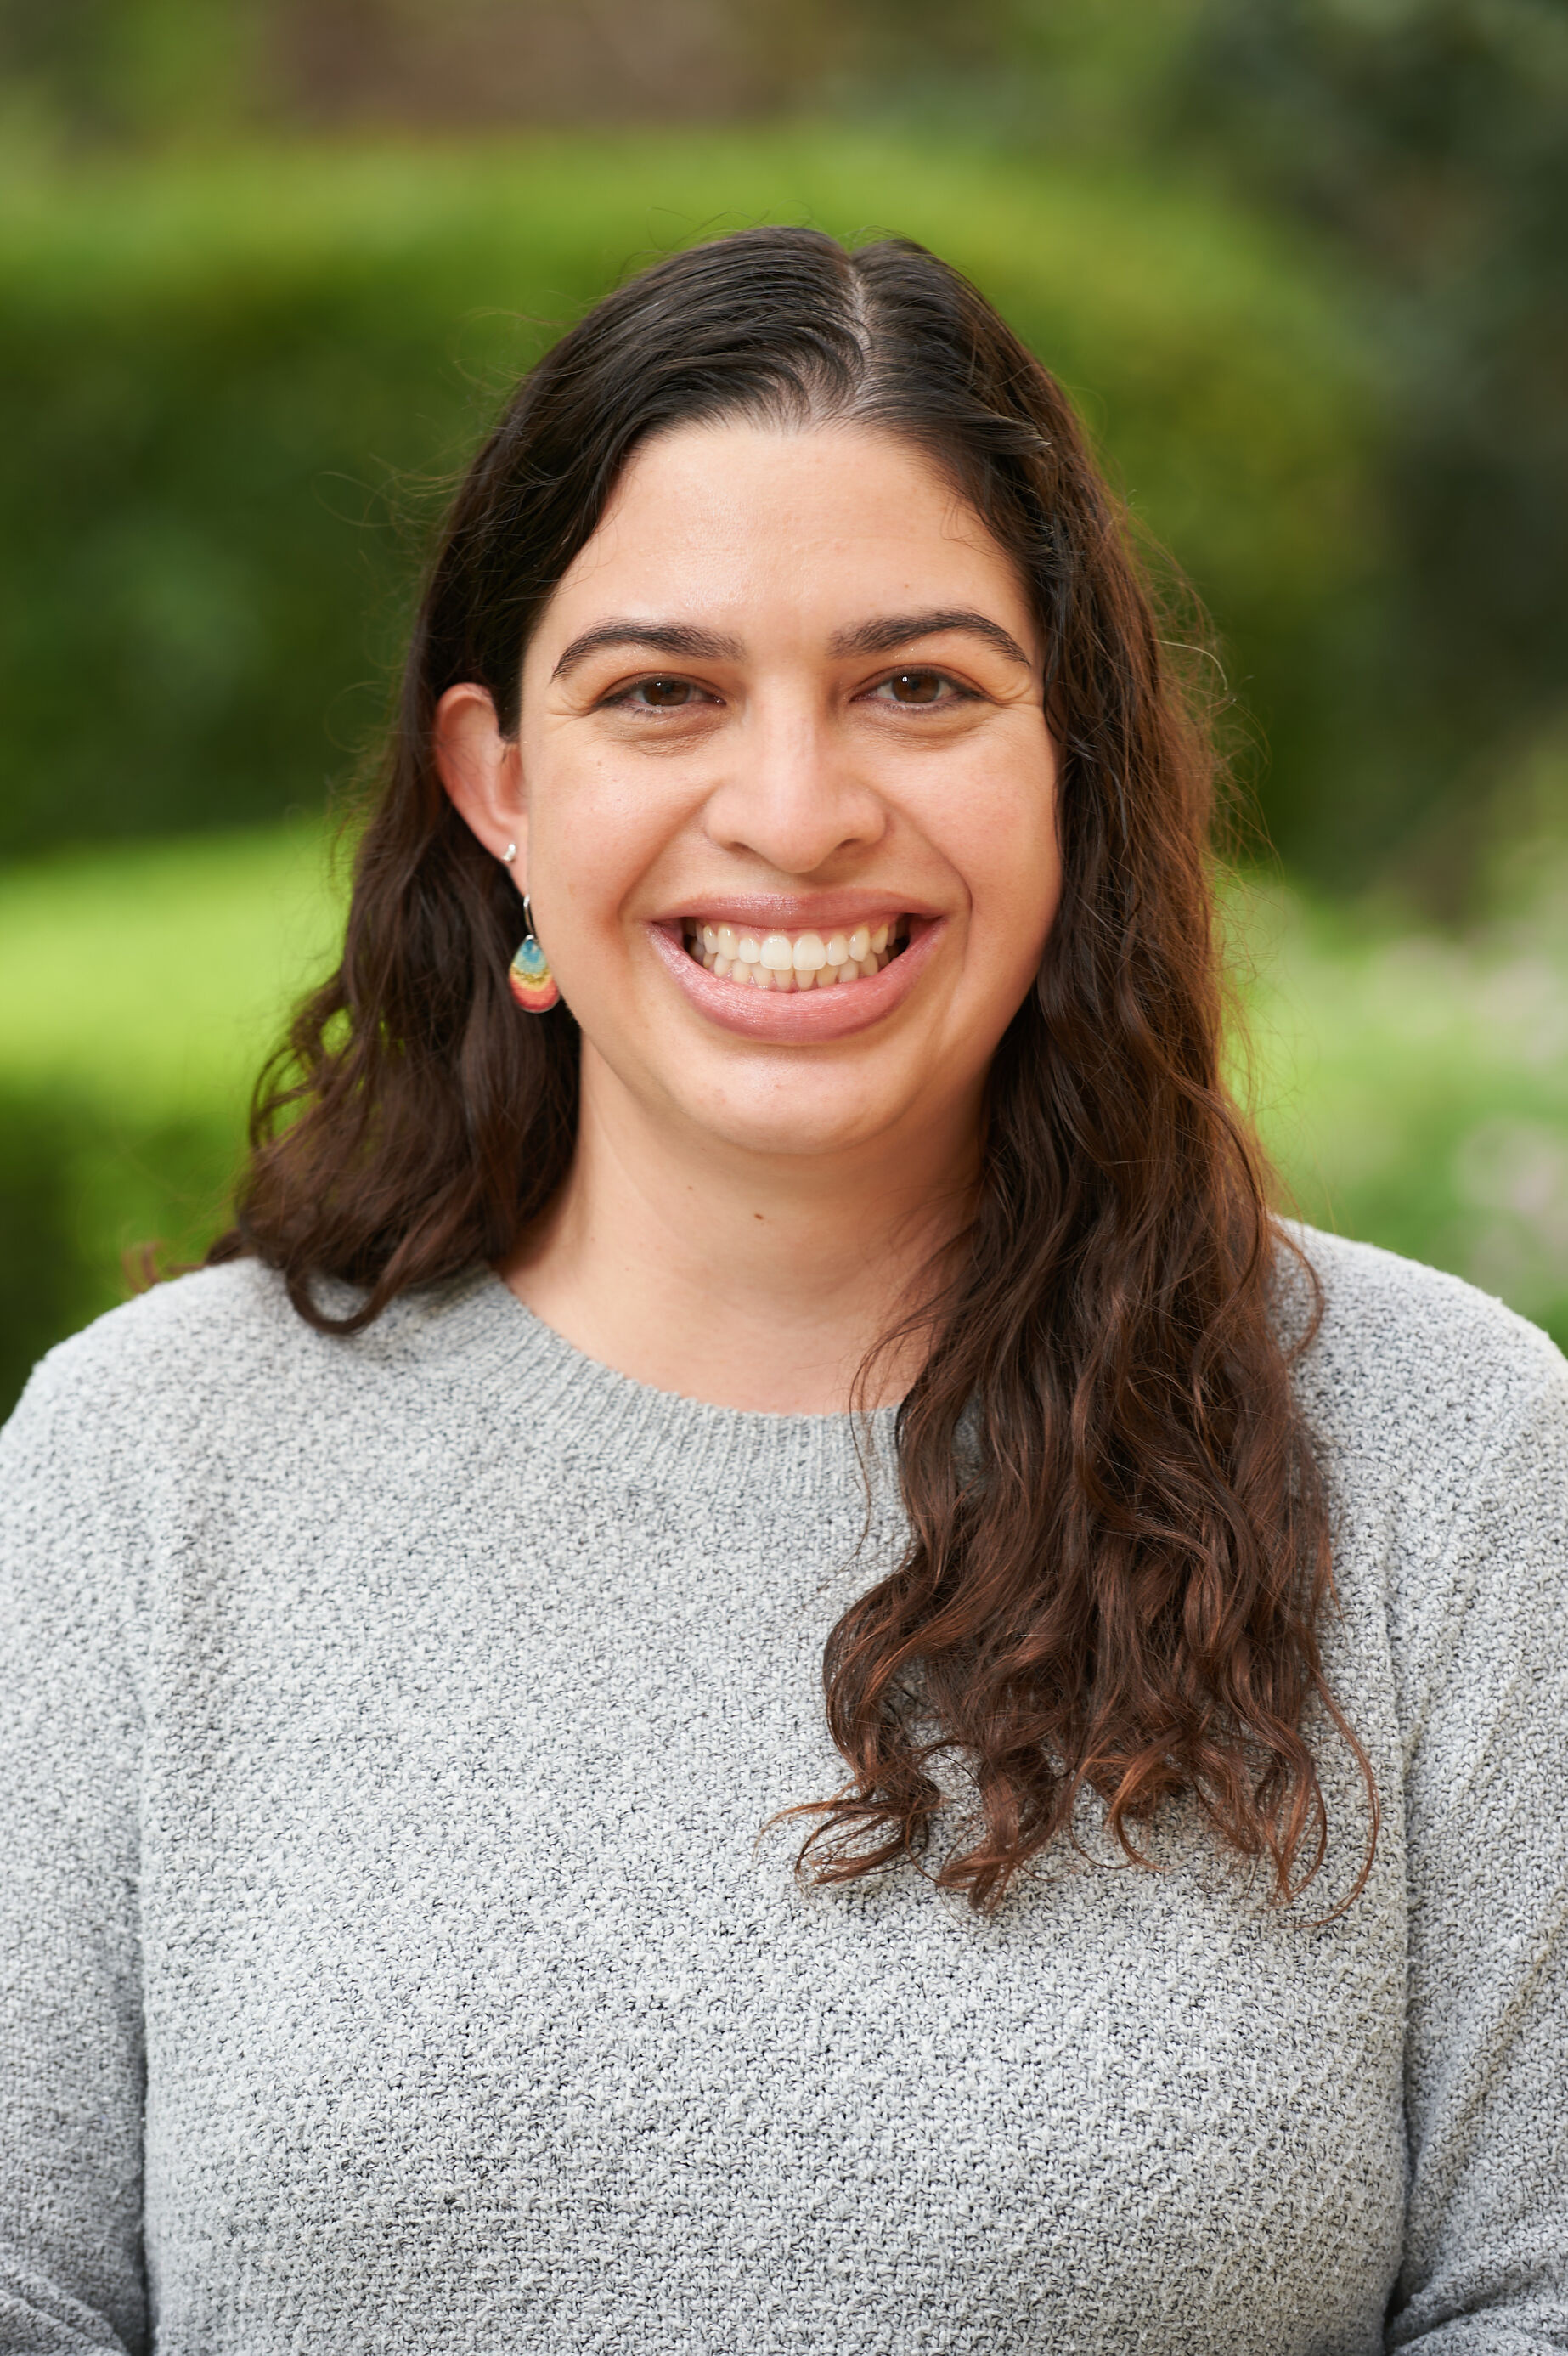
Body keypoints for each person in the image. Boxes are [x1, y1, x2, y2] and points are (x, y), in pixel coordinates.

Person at [3, 225, 1565, 2356]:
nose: (796, 811)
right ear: (500, 789)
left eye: (916, 685)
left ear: (1067, 765)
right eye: (661, 693)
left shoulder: (1447, 1456)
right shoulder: (144, 1468)